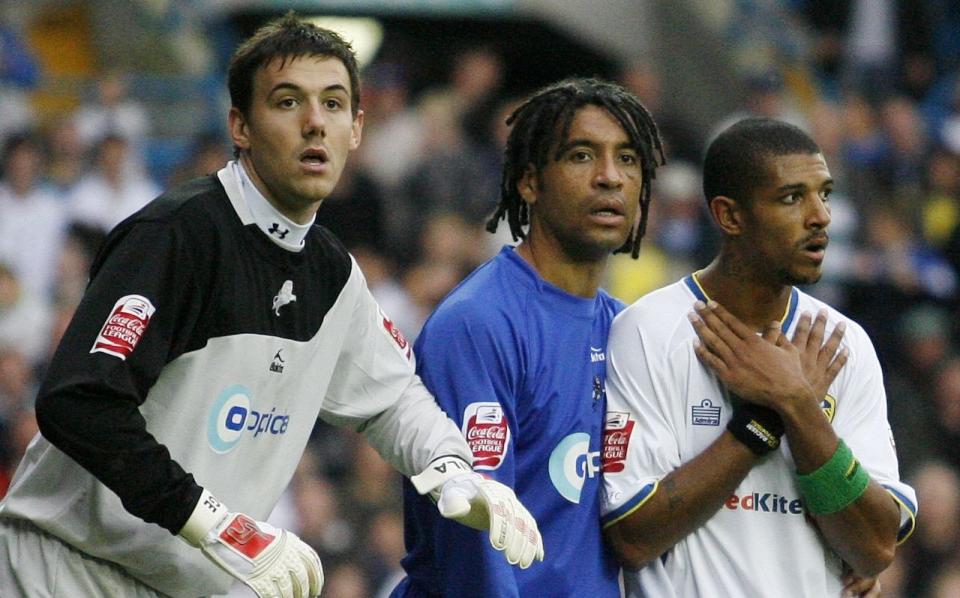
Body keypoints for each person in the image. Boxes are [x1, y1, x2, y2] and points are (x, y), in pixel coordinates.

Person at [0, 14, 543, 598]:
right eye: (288, 102)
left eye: (334, 105)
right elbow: (79, 401)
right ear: (241, 125)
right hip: (58, 573)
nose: (315, 123)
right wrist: (212, 521)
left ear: (356, 129)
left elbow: (392, 396)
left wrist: (452, 467)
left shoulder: (333, 274)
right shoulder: (177, 236)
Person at [601, 117, 917, 597]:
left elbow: (874, 548)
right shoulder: (648, 331)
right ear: (730, 215)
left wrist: (798, 405)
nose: (821, 217)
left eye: (824, 194)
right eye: (792, 198)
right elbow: (632, 537)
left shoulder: (841, 342)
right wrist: (764, 420)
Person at [391, 77, 665, 597]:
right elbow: (473, 535)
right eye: (582, 156)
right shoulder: (479, 324)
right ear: (530, 182)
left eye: (628, 159)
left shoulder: (629, 329)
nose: (610, 177)